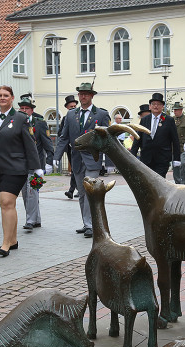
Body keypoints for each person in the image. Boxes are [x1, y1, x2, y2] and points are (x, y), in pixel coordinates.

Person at [0, 86, 41, 256]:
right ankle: (13, 239)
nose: (2, 98)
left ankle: (5, 243)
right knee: (8, 205)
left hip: (16, 167)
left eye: (6, 95)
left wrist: (37, 167)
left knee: (6, 201)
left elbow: (30, 144)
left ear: (12, 98)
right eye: (0, 96)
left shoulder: (20, 118)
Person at [53, 82, 110, 237]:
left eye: (86, 94)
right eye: (81, 94)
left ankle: (92, 225)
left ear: (92, 96)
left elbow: (108, 139)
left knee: (90, 191)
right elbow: (64, 137)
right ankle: (87, 223)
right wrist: (56, 157)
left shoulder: (101, 114)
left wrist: (109, 158)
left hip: (93, 158)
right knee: (82, 192)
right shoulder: (71, 115)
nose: (83, 96)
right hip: (76, 159)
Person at [18, 95, 53, 231]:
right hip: (22, 164)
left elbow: (48, 144)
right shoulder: (16, 122)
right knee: (26, 193)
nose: (24, 110)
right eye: (22, 108)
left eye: (27, 108)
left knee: (33, 192)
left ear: (32, 110)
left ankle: (30, 220)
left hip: (36, 163)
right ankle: (36, 219)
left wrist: (49, 162)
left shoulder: (39, 123)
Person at [130, 92, 180, 178]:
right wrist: (132, 156)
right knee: (147, 182)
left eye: (158, 104)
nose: (156, 106)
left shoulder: (168, 120)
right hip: (146, 158)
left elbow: (175, 140)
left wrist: (176, 158)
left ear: (162, 106)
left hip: (162, 159)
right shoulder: (144, 120)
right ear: (150, 106)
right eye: (153, 104)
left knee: (159, 182)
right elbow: (138, 139)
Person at [60, 95, 79, 199]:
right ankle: (74, 190)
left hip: (80, 147)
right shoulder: (65, 118)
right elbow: (61, 133)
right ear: (67, 107)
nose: (73, 108)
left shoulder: (81, 116)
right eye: (71, 106)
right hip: (70, 148)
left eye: (74, 106)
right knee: (75, 169)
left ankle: (73, 189)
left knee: (78, 169)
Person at [172, 102, 185, 184]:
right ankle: (177, 182)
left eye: (176, 110)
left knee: (183, 163)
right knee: (175, 165)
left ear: (181, 110)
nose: (175, 112)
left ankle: (184, 181)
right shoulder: (171, 120)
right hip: (174, 146)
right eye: (174, 110)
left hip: (183, 146)